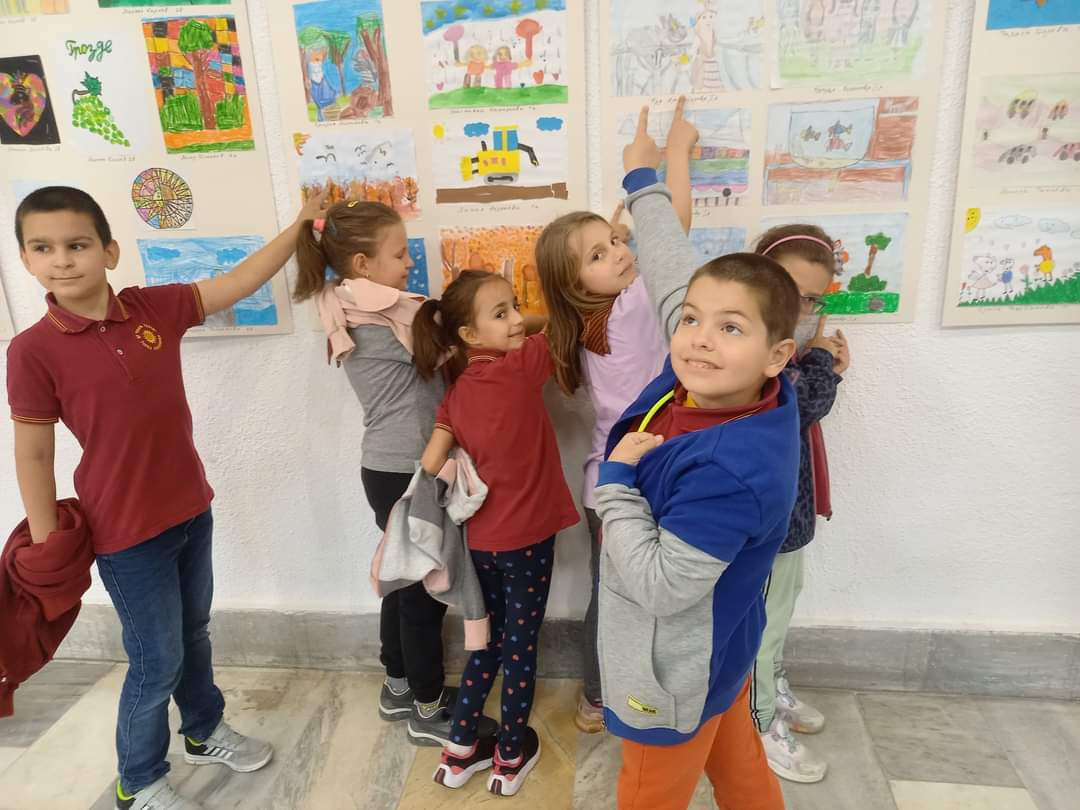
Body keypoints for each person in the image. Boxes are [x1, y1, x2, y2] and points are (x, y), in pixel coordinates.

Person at [7, 185, 327, 810]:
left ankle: (204, 732)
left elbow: (237, 282)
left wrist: (298, 226)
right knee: (156, 661)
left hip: (190, 511)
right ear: (24, 259)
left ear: (109, 251)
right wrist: (47, 548)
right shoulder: (32, 350)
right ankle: (138, 780)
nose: (62, 260)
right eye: (42, 248)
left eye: (77, 244)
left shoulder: (153, 308)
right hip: (125, 534)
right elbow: (34, 454)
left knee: (194, 634)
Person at [595, 253, 801, 810]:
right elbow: (671, 278)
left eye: (730, 328)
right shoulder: (718, 385)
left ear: (777, 355)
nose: (700, 339)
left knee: (648, 793)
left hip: (672, 670)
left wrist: (614, 482)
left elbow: (661, 588)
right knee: (740, 768)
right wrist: (644, 199)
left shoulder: (726, 471)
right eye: (691, 319)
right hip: (721, 647)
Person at [536, 97, 697, 732]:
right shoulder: (631, 309)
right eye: (599, 255)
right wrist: (672, 154)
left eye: (614, 243)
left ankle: (595, 696)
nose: (621, 253)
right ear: (578, 283)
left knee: (609, 593)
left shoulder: (580, 320)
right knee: (629, 598)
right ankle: (614, 695)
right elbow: (670, 234)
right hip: (642, 482)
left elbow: (624, 252)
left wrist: (605, 241)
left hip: (605, 486)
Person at [292, 199, 461, 747]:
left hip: (387, 469)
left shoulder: (349, 308)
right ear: (363, 264)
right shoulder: (393, 321)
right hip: (408, 471)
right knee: (421, 592)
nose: (410, 263)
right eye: (400, 254)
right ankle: (428, 708)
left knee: (400, 579)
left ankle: (397, 684)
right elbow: (460, 340)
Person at [412, 270, 579, 796]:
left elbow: (430, 463)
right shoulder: (521, 366)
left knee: (485, 644)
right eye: (501, 312)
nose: (516, 320)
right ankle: (509, 754)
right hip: (527, 544)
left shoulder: (456, 393)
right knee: (520, 649)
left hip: (480, 544)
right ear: (467, 334)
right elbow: (560, 323)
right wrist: (527, 323)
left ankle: (460, 749)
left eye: (514, 307)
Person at [750, 224, 851, 783]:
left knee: (781, 609)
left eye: (812, 299)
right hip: (766, 521)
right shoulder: (753, 352)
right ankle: (759, 722)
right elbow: (796, 405)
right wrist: (820, 365)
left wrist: (819, 363)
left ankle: (772, 690)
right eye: (791, 290)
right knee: (761, 626)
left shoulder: (786, 351)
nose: (800, 308)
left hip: (791, 517)